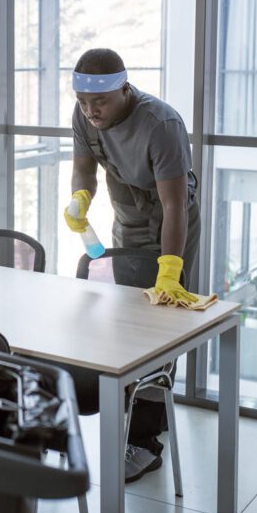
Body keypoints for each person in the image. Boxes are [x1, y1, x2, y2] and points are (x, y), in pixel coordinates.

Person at [64, 48, 200, 483]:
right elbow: (84, 169)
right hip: (127, 216)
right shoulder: (85, 115)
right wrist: (80, 198)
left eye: (99, 102)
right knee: (128, 324)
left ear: (124, 89)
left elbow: (175, 204)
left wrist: (169, 269)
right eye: (83, 102)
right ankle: (134, 417)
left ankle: (145, 443)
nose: (91, 111)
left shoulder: (161, 124)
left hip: (170, 221)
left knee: (159, 327)